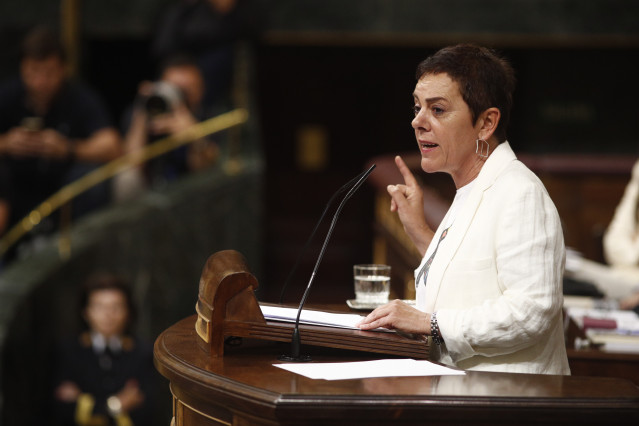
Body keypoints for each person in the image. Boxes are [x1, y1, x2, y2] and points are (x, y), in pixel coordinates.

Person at [357, 44, 570, 375]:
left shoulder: (520, 193)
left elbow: (532, 313)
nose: (418, 121)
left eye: (437, 110)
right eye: (417, 108)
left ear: (486, 123)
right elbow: (468, 281)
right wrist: (419, 231)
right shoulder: (470, 189)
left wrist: (429, 323)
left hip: (511, 400)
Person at [0, 27, 121, 257]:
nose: (40, 82)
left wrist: (67, 148)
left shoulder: (80, 98)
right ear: (21, 69)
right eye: (33, 72)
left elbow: (112, 145)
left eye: (48, 73)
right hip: (13, 193)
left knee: (90, 178)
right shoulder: (9, 95)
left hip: (64, 196)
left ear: (64, 69)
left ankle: (82, 253)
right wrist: (7, 143)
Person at [112, 54, 220, 202]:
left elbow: (205, 172)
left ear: (201, 90)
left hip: (192, 197)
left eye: (187, 91)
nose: (181, 97)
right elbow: (132, 164)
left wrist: (195, 136)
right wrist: (144, 111)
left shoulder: (210, 118)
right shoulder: (143, 113)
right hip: (147, 194)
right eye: (175, 89)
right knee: (126, 177)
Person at [51, 273, 154, 425]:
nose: (108, 315)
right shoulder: (67, 351)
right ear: (86, 312)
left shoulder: (143, 353)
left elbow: (147, 411)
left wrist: (83, 401)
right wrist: (116, 405)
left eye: (116, 307)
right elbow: (60, 410)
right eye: (99, 307)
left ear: (128, 312)